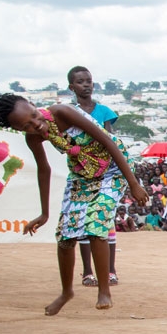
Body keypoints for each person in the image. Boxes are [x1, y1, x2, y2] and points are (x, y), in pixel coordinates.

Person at [0, 93, 148, 315]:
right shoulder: (33, 138)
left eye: (34, 116)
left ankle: (104, 291)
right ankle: (66, 292)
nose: (36, 125)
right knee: (64, 235)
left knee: (95, 224)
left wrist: (133, 183)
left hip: (113, 167)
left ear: (33, 104)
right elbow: (44, 170)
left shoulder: (62, 111)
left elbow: (106, 140)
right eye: (27, 126)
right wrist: (44, 214)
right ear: (19, 130)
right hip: (82, 171)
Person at [67, 66, 123, 287]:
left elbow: (112, 141)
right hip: (80, 172)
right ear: (72, 87)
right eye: (80, 81)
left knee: (105, 220)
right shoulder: (69, 111)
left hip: (105, 172)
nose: (86, 84)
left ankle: (110, 270)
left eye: (88, 80)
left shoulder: (104, 112)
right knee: (82, 221)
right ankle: (87, 272)